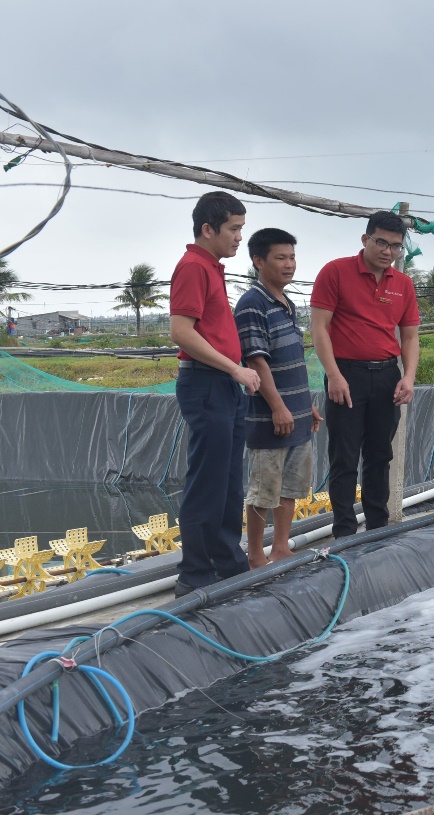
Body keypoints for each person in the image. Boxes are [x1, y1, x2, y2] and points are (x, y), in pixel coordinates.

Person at [169, 191, 261, 595]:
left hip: (223, 384)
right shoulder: (193, 266)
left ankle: (228, 561)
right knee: (207, 480)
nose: (240, 237)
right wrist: (235, 368)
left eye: (241, 228)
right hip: (207, 382)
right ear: (208, 230)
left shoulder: (212, 267)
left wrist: (235, 374)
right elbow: (181, 332)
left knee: (227, 480)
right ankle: (195, 574)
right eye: (234, 229)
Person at [310, 211, 419, 537]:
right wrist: (334, 375)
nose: (387, 251)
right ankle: (344, 533)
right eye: (381, 242)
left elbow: (410, 336)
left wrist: (409, 376)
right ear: (365, 239)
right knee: (344, 458)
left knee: (379, 456)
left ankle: (377, 529)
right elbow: (319, 328)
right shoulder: (335, 272)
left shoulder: (403, 284)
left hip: (387, 377)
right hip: (347, 376)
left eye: (396, 246)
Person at [235, 228, 322, 569]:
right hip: (270, 416)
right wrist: (279, 407)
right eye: (280, 258)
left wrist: (306, 406)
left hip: (296, 412)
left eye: (292, 257)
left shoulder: (287, 303)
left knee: (290, 487)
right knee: (263, 488)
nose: (289, 265)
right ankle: (256, 555)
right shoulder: (252, 304)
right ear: (259, 261)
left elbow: (293, 362)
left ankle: (281, 547)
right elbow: (257, 361)